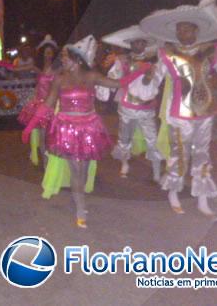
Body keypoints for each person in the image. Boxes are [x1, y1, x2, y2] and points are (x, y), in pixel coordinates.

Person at [130, 0, 217, 219]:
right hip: (180, 113)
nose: (182, 32)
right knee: (180, 153)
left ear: (196, 30)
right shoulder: (167, 54)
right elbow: (157, 76)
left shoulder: (210, 50)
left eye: (186, 29)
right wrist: (146, 82)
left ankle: (202, 199)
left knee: (202, 153)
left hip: (205, 110)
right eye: (179, 29)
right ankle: (174, 193)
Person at [22, 36, 121, 228]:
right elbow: (48, 105)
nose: (63, 60)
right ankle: (80, 207)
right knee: (75, 169)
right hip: (66, 127)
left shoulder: (91, 75)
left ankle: (79, 196)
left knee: (83, 170)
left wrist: (136, 71)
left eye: (66, 57)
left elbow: (117, 84)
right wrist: (29, 126)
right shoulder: (59, 79)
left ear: (77, 59)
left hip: (88, 127)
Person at [103, 25, 163, 181]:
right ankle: (125, 164)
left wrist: (151, 76)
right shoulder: (124, 60)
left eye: (142, 43)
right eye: (136, 43)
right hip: (127, 107)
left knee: (152, 139)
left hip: (147, 107)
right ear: (130, 44)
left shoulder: (153, 60)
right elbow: (113, 77)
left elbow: (157, 81)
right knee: (124, 139)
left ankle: (156, 170)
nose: (140, 46)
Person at [17, 34, 59, 165]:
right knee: (41, 136)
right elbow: (21, 68)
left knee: (50, 138)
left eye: (50, 53)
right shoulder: (39, 69)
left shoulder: (58, 70)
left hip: (51, 106)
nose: (48, 55)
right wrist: (2, 65)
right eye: (46, 53)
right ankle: (46, 164)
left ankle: (51, 164)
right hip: (39, 106)